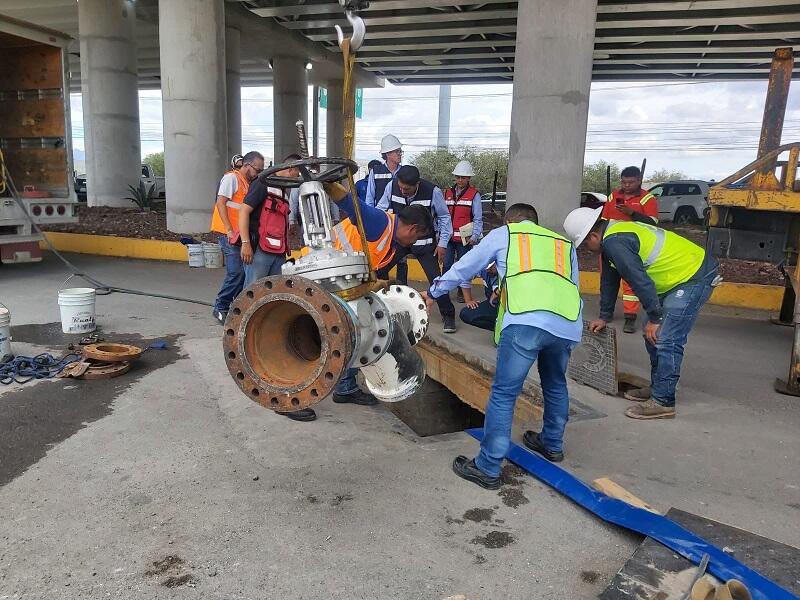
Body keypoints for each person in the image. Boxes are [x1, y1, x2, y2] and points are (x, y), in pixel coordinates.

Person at [425, 203, 583, 489]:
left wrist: (434, 291)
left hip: (525, 321)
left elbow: (464, 267)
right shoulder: (564, 243)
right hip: (566, 323)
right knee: (556, 384)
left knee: (504, 394)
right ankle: (552, 444)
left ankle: (488, 466)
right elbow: (572, 284)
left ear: (511, 221)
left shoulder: (504, 234)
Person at [291, 181, 434, 420]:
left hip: (340, 284)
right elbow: (351, 204)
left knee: (353, 334)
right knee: (312, 342)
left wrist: (383, 286)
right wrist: (330, 185)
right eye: (418, 237)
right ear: (413, 229)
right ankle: (290, 399)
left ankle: (345, 387)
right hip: (319, 276)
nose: (414, 243)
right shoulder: (380, 223)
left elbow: (370, 270)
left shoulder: (390, 240)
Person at [564, 206, 720, 420]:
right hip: (675, 280)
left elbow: (639, 280)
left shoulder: (615, 242)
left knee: (666, 339)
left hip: (694, 276)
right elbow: (609, 280)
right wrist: (604, 316)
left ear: (593, 235)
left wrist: (656, 318)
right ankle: (659, 389)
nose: (586, 249)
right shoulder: (611, 238)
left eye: (584, 245)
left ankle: (663, 402)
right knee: (652, 337)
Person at [377, 165, 458, 333]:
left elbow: (444, 217)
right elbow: (381, 210)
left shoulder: (432, 191)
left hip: (424, 244)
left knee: (436, 280)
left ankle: (448, 315)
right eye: (400, 187)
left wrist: (442, 243)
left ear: (417, 184)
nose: (402, 190)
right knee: (378, 270)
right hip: (400, 240)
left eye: (406, 189)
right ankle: (381, 307)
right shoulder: (391, 186)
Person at [601, 166, 659, 333]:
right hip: (610, 244)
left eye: (631, 182)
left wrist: (632, 213)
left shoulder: (647, 199)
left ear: (639, 180)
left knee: (630, 283)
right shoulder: (613, 196)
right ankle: (605, 314)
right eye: (624, 182)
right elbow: (605, 219)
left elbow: (653, 223)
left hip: (632, 247)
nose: (627, 185)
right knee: (607, 281)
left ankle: (630, 318)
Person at [209, 150, 264, 324]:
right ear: (247, 166)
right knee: (236, 272)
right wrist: (229, 230)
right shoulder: (231, 179)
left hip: (238, 234)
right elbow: (221, 202)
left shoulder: (248, 183)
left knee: (242, 273)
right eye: (257, 170)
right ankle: (221, 307)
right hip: (229, 234)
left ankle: (232, 306)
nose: (258, 174)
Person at [238, 153, 299, 288]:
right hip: (260, 251)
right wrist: (245, 243)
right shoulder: (263, 183)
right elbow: (244, 211)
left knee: (274, 293)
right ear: (291, 169)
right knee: (254, 292)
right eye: (297, 173)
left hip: (279, 253)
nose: (297, 178)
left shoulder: (284, 191)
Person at [444, 160, 483, 303]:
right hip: (448, 237)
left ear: (469, 179)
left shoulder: (474, 195)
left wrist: (475, 235)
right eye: (458, 177)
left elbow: (478, 218)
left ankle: (462, 292)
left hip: (465, 238)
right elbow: (442, 216)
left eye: (463, 177)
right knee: (447, 265)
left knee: (463, 265)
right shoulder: (447, 193)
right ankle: (444, 291)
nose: (460, 180)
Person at [459, 263, 499, 332]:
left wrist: (496, 292)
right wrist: (468, 301)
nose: (488, 270)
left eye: (491, 267)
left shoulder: (506, 269)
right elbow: (464, 276)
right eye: (486, 268)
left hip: (509, 308)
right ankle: (499, 328)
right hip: (492, 305)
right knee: (465, 313)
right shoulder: (483, 269)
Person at [365, 135, 403, 207]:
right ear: (388, 154)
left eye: (400, 151)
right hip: (381, 214)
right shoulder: (375, 172)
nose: (400, 154)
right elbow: (370, 197)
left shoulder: (404, 171)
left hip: (400, 216)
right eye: (397, 151)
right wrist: (370, 214)